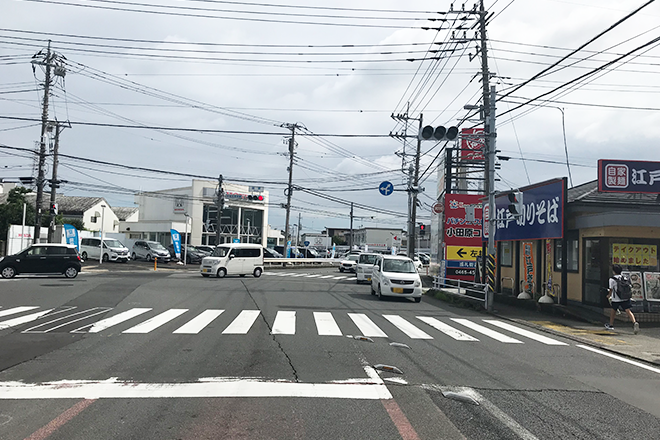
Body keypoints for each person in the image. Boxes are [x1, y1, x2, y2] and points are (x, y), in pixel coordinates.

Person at [605, 264, 639, 334]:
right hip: (625, 297)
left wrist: (609, 295)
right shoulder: (624, 278)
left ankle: (611, 325)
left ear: (614, 271)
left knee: (613, 311)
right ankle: (634, 322)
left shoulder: (612, 279)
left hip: (616, 298)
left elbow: (611, 289)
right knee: (628, 311)